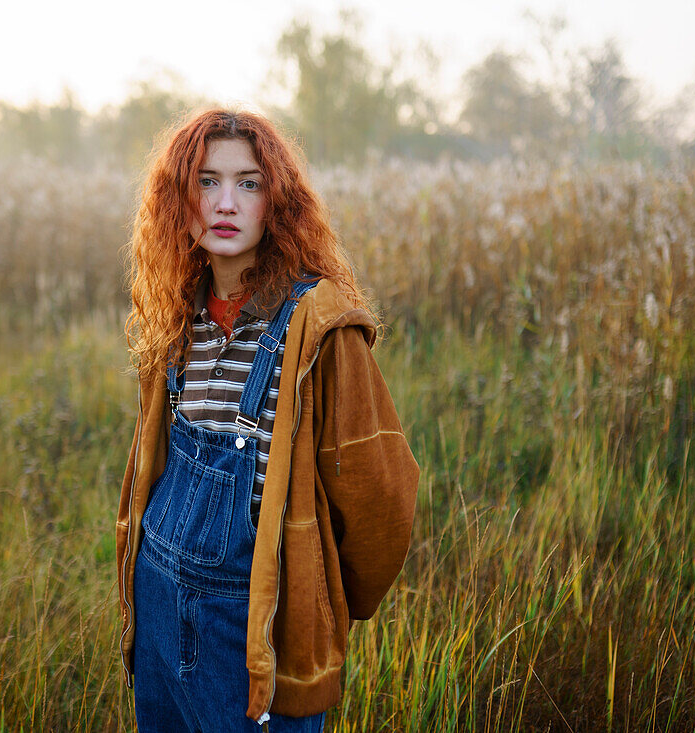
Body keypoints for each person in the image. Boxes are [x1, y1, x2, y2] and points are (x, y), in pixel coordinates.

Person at [116, 108, 419, 732]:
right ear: (180, 197)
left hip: (256, 622)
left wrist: (322, 602)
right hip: (156, 600)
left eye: (249, 183)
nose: (226, 202)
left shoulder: (319, 324)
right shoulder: (176, 315)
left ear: (275, 200)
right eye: (206, 181)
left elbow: (382, 497)